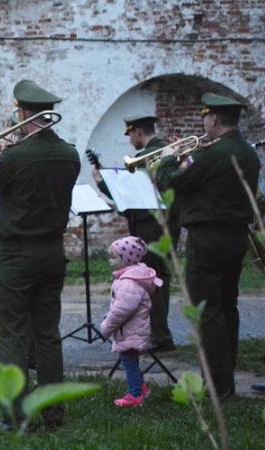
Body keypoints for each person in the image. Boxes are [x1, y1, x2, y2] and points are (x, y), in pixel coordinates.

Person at [0, 80, 80, 430]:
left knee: (14, 336)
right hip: (52, 253)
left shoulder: (15, 156)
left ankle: (16, 417)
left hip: (17, 257)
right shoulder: (70, 154)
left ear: (22, 114)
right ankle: (53, 414)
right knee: (48, 335)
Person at [156, 92, 260, 400]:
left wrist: (167, 159)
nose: (204, 123)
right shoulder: (248, 153)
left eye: (205, 118)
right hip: (236, 237)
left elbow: (173, 183)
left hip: (207, 238)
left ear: (213, 119)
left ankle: (216, 386)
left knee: (207, 311)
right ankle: (225, 379)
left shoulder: (212, 154)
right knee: (228, 306)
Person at [92, 115, 176, 352]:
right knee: (161, 278)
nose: (129, 140)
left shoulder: (145, 158)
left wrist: (100, 181)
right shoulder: (167, 152)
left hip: (149, 226)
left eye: (130, 134)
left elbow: (128, 195)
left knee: (151, 280)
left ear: (139, 132)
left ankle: (160, 337)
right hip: (168, 224)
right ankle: (161, 334)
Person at [100, 236, 162, 407]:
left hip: (130, 331)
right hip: (130, 330)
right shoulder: (129, 277)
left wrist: (106, 327)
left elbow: (121, 311)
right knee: (131, 361)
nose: (110, 261)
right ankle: (141, 388)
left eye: (114, 257)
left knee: (129, 362)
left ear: (128, 259)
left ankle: (135, 395)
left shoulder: (129, 283)